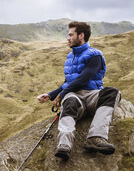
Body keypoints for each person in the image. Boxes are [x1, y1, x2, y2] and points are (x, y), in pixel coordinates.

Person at [37, 21, 121, 160]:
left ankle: (96, 138)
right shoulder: (70, 57)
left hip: (92, 95)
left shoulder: (95, 55)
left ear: (81, 35)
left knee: (112, 92)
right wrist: (51, 95)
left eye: (71, 35)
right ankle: (64, 145)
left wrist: (61, 94)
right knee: (69, 100)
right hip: (75, 98)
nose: (68, 38)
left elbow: (83, 79)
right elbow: (69, 82)